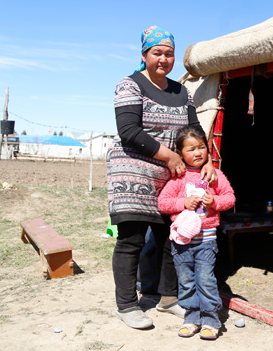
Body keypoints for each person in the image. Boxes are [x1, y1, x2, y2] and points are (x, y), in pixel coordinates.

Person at [106, 26, 217, 330]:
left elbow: (194, 133)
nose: (164, 58)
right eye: (157, 52)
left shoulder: (182, 92)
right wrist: (169, 155)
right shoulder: (130, 85)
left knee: (174, 236)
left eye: (169, 53)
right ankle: (127, 305)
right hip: (134, 172)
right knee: (132, 239)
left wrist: (208, 161)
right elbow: (128, 131)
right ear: (144, 55)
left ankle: (169, 298)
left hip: (172, 178)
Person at [158, 126, 236, 341]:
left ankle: (211, 319)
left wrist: (216, 202)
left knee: (205, 279)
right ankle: (191, 318)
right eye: (191, 149)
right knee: (186, 280)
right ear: (180, 153)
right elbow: (163, 203)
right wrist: (182, 202)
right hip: (181, 240)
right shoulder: (178, 178)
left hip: (207, 238)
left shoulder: (214, 175)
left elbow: (230, 198)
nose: (197, 153)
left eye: (201, 147)